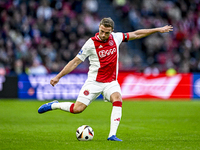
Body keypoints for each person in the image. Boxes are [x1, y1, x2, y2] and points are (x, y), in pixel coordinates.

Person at [38, 17, 173, 141]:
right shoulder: (90, 43)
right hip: (94, 82)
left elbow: (137, 34)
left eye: (106, 33)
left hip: (111, 82)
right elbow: (75, 62)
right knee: (77, 109)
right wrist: (58, 76)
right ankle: (54, 104)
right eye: (102, 31)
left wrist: (157, 29)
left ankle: (112, 135)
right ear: (99, 27)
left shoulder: (116, 37)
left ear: (112, 31)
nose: (103, 35)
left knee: (117, 99)